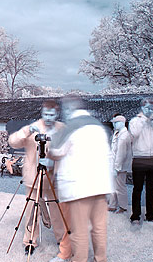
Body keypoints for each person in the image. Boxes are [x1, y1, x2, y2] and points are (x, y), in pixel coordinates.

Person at [44, 96, 113, 262]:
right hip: (101, 185)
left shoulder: (70, 127)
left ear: (69, 110)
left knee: (79, 231)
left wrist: (49, 148)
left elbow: (56, 152)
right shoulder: (99, 126)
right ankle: (100, 259)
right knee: (99, 229)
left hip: (79, 187)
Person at [6, 99, 67, 255]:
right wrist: (26, 132)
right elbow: (12, 142)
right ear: (42, 113)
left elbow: (70, 149)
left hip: (54, 178)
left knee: (57, 210)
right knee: (32, 210)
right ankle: (30, 241)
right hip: (33, 177)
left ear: (57, 114)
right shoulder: (32, 128)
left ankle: (62, 240)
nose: (48, 117)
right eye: (45, 114)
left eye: (51, 114)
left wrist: (54, 159)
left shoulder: (62, 129)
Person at [129, 97, 153, 223]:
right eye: (146, 106)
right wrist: (144, 119)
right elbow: (134, 133)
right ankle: (135, 216)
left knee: (151, 190)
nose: (149, 109)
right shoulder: (135, 121)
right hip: (139, 159)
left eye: (152, 106)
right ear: (141, 107)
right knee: (137, 189)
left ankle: (151, 215)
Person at [107, 114, 132, 214]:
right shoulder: (117, 133)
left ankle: (123, 206)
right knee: (113, 186)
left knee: (120, 186)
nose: (114, 125)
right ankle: (112, 205)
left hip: (120, 166)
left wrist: (117, 168)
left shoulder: (124, 135)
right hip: (114, 164)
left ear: (122, 123)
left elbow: (121, 154)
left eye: (116, 123)